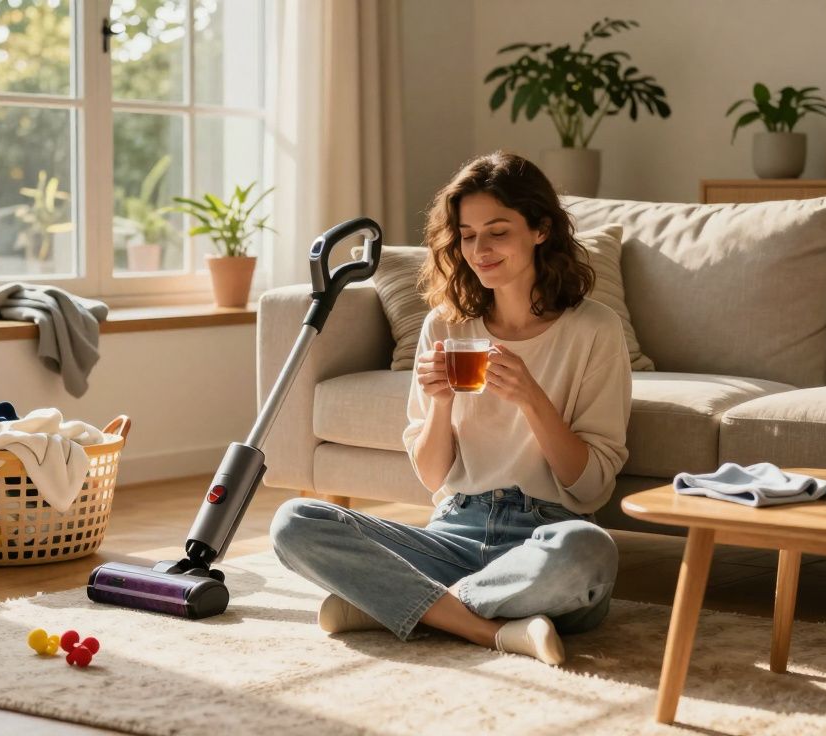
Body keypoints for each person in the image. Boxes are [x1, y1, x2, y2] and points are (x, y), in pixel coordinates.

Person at [270, 150, 632, 665]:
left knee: (589, 553)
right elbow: (432, 474)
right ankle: (494, 630)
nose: (479, 250)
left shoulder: (594, 329)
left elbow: (592, 486)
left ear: (541, 230)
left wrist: (532, 398)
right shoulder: (444, 326)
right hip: (453, 531)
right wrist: (439, 405)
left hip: (544, 536)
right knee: (293, 522)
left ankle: (396, 604)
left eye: (498, 231)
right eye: (467, 235)